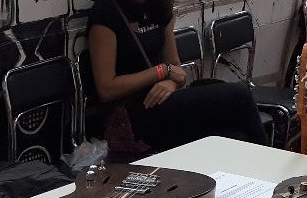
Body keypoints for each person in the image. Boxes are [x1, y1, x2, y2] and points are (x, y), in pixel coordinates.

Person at [87, 0, 269, 151]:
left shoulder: (158, 7)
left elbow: (178, 71)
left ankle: (259, 178)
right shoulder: (107, 13)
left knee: (234, 135)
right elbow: (106, 88)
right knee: (240, 95)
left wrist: (171, 83)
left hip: (165, 102)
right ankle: (272, 169)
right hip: (133, 114)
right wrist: (161, 72)